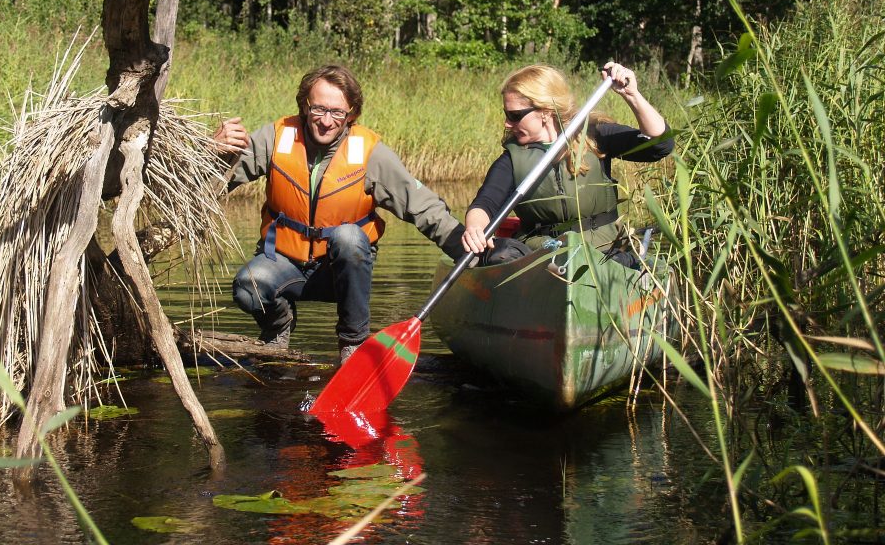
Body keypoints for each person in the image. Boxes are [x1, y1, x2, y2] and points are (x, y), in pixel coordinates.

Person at [214, 64, 465, 363]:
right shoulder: (275, 138)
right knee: (247, 286)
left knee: (348, 237)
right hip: (284, 265)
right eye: (318, 109)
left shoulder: (371, 153)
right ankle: (277, 330)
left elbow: (422, 206)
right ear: (304, 106)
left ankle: (353, 343)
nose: (326, 121)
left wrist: (469, 247)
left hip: (340, 271)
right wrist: (214, 151)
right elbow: (209, 185)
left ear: (352, 114)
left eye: (337, 113)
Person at [460, 62, 673, 267]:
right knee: (501, 253)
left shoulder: (595, 135)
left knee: (614, 262)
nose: (508, 123)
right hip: (540, 256)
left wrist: (632, 95)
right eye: (507, 114)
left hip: (603, 250)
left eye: (514, 115)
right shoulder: (512, 159)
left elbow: (660, 144)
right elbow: (485, 204)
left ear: (545, 111)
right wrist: (475, 228)